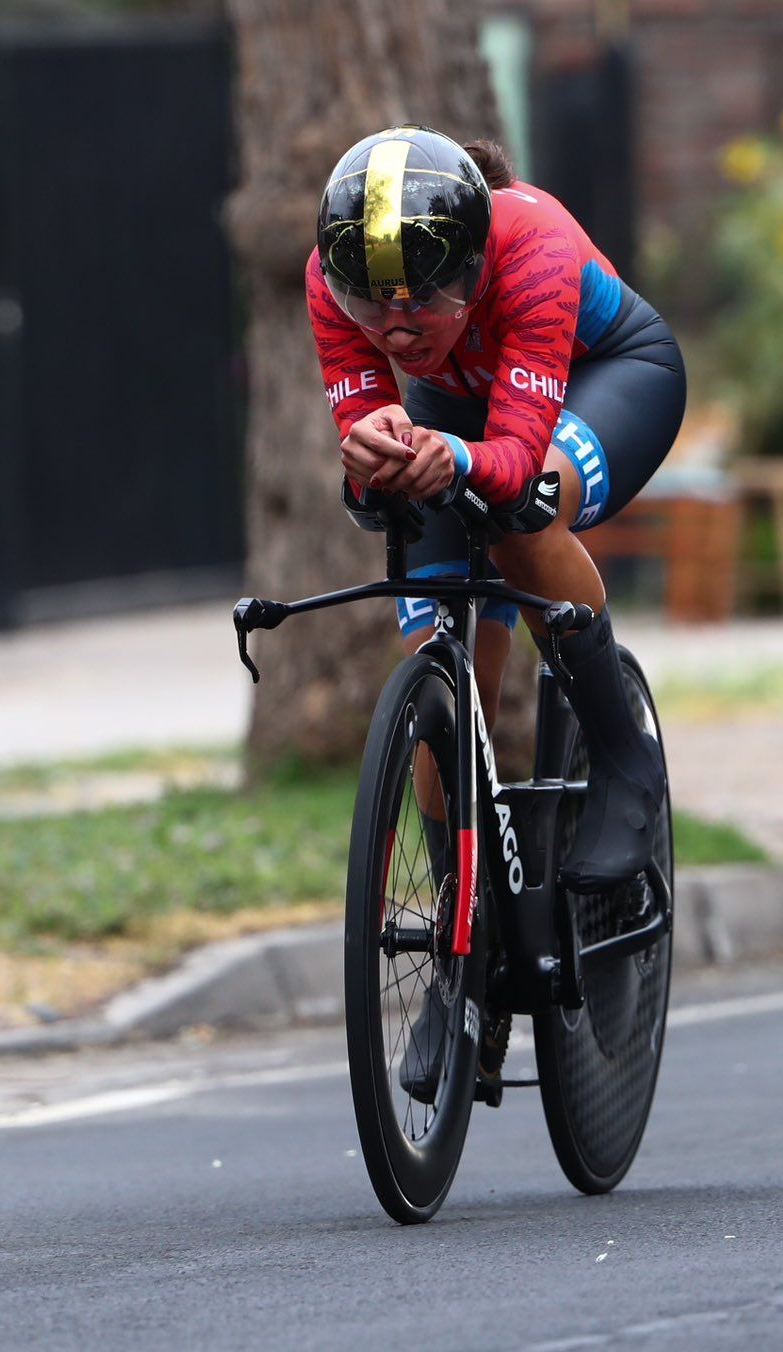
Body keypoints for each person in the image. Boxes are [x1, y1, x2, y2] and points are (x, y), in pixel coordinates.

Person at [308, 124, 687, 897]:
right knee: (444, 690)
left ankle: (623, 757)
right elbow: (373, 442)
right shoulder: (325, 276)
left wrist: (461, 458)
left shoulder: (533, 252)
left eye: (425, 299)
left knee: (521, 516)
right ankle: (464, 955)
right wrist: (370, 458)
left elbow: (512, 468)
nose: (398, 330)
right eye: (370, 309)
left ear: (475, 267)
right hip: (462, 402)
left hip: (607, 376)